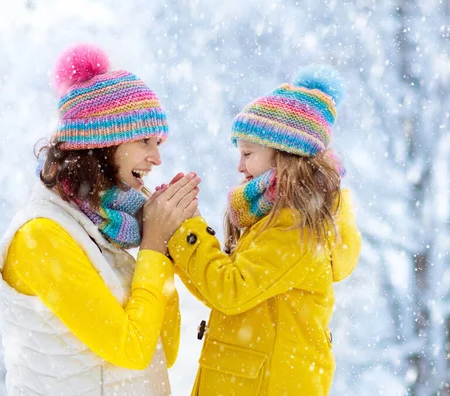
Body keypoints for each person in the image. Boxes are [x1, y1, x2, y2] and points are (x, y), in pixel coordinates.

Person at [0, 43, 200, 395]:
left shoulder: (110, 231)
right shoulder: (42, 236)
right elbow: (131, 350)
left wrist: (165, 247)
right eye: (144, 141)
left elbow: (162, 349)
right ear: (103, 144)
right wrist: (153, 246)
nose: (156, 159)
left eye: (159, 143)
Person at [148, 65, 362, 395]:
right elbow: (221, 292)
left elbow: (230, 291)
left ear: (285, 155)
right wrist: (179, 234)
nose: (239, 166)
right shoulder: (275, 216)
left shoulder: (296, 224)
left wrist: (185, 230)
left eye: (248, 153)